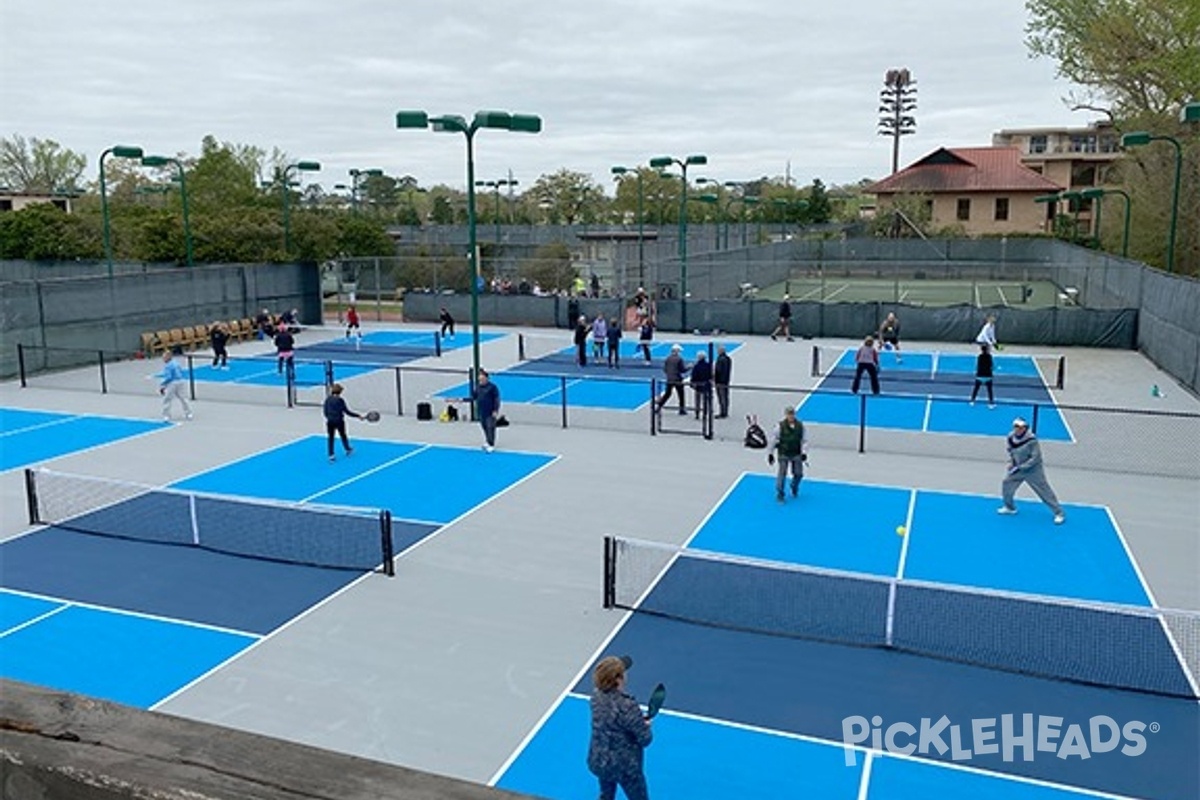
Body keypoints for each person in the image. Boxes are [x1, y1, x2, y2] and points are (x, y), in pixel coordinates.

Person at [587, 655, 652, 800]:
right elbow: (645, 739)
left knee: (606, 796)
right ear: (618, 679)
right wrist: (645, 726)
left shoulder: (595, 697)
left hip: (600, 760)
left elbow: (613, 721)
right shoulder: (628, 706)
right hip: (625, 767)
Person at [999, 417, 1065, 524]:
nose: (1018, 429)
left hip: (1033, 471)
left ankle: (1059, 513)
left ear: (1025, 428)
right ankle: (1010, 507)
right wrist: (1012, 462)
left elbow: (1036, 458)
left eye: (1020, 427)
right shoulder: (1010, 437)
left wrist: (1022, 466)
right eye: (1016, 427)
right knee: (1006, 484)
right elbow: (1011, 451)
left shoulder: (1032, 440)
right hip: (1018, 468)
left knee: (1044, 491)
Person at [768, 406, 807, 501]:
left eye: (792, 414)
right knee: (782, 474)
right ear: (786, 415)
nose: (791, 416)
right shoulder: (779, 427)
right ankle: (780, 493)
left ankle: (794, 486)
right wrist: (770, 453)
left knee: (799, 474)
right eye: (789, 414)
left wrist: (804, 453)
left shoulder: (800, 426)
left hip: (796, 452)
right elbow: (773, 440)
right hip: (784, 453)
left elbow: (804, 441)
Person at [323, 383, 362, 462]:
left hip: (330, 421)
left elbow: (325, 411)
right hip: (339, 421)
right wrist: (358, 416)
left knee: (331, 438)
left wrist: (329, 417)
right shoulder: (340, 400)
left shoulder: (327, 399)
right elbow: (347, 412)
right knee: (343, 435)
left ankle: (331, 455)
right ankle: (347, 449)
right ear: (340, 392)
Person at [159, 348, 193, 421]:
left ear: (168, 357)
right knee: (183, 398)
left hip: (173, 383)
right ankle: (188, 413)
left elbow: (169, 377)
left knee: (167, 399)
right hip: (181, 381)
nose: (163, 359)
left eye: (164, 357)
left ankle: (166, 416)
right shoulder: (176, 363)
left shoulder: (168, 366)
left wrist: (162, 385)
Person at [472, 369, 501, 452]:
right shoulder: (478, 387)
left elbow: (497, 399)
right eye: (479, 379)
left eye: (482, 379)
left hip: (490, 411)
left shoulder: (493, 387)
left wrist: (495, 410)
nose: (480, 381)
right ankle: (488, 441)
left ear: (487, 378)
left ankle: (491, 444)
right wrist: (461, 400)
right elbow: (473, 397)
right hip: (481, 411)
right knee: (484, 427)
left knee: (490, 427)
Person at [655, 344, 689, 415]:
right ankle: (681, 410)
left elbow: (665, 369)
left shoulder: (667, 358)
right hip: (677, 379)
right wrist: (689, 367)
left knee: (667, 394)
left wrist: (669, 374)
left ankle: (659, 407)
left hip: (669, 379)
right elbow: (683, 370)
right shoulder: (679, 359)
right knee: (681, 395)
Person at [970, 343, 996, 408]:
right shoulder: (989, 357)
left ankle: (972, 401)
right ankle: (991, 403)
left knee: (976, 389)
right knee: (990, 390)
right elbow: (992, 367)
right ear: (987, 350)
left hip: (979, 376)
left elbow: (977, 366)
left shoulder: (979, 357)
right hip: (988, 376)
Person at [689, 350, 713, 419]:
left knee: (697, 400)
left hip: (698, 385)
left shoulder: (696, 366)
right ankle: (705, 413)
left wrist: (692, 383)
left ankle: (697, 413)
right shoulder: (708, 365)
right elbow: (711, 375)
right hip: (706, 384)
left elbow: (694, 376)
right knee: (706, 400)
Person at [713, 345, 733, 418]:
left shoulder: (720, 359)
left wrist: (714, 377)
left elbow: (718, 370)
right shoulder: (728, 359)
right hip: (726, 380)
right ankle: (725, 411)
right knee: (725, 396)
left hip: (720, 381)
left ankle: (723, 412)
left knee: (721, 397)